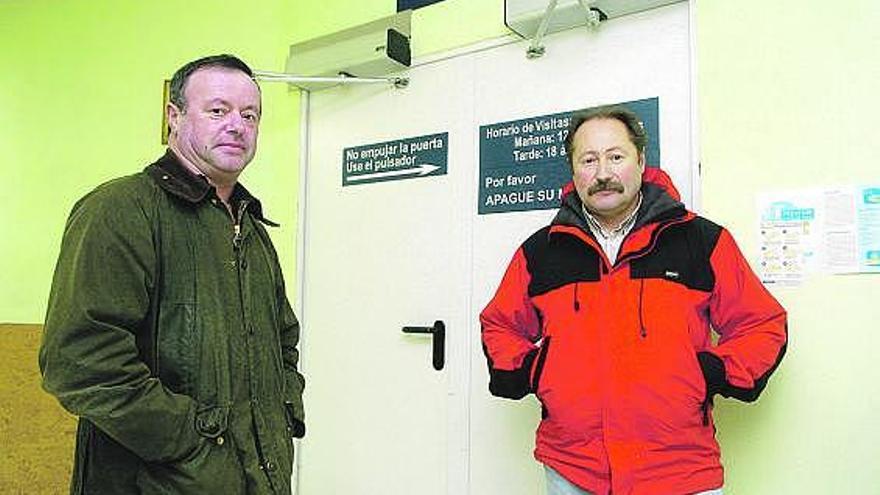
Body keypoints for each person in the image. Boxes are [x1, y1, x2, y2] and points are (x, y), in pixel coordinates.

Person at [480, 105, 787, 495]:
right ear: (574, 171)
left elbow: (761, 322)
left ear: (640, 161)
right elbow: (500, 324)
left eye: (616, 156)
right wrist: (536, 370)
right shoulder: (542, 251)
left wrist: (711, 372)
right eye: (588, 160)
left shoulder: (702, 242)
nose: (603, 173)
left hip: (680, 468)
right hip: (573, 469)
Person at [40, 54, 305, 495]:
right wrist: (197, 443)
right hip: (159, 483)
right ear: (174, 118)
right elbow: (82, 364)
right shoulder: (120, 210)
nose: (237, 125)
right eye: (218, 110)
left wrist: (282, 412)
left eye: (250, 114)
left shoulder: (252, 229)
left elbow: (283, 344)